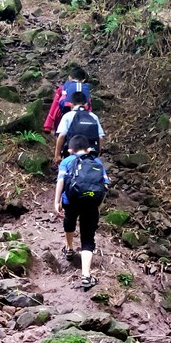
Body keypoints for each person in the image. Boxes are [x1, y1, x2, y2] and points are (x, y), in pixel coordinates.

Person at [54, 135, 109, 289]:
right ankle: (86, 276)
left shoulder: (66, 161)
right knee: (88, 237)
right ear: (88, 149)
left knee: (69, 221)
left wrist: (57, 201)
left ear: (70, 149)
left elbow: (61, 181)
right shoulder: (96, 162)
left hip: (70, 201)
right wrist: (98, 205)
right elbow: (105, 186)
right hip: (91, 204)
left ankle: (69, 248)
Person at [53, 91, 105, 163]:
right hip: (91, 155)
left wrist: (57, 155)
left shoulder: (67, 116)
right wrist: (97, 154)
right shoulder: (93, 116)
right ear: (86, 104)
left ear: (71, 104)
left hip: (71, 154)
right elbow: (101, 138)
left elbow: (61, 136)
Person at [44, 67, 92, 138]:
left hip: (62, 117)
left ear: (69, 78)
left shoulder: (62, 89)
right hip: (82, 119)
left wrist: (48, 126)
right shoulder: (85, 90)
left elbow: (54, 106)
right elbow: (89, 107)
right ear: (83, 80)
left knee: (61, 137)